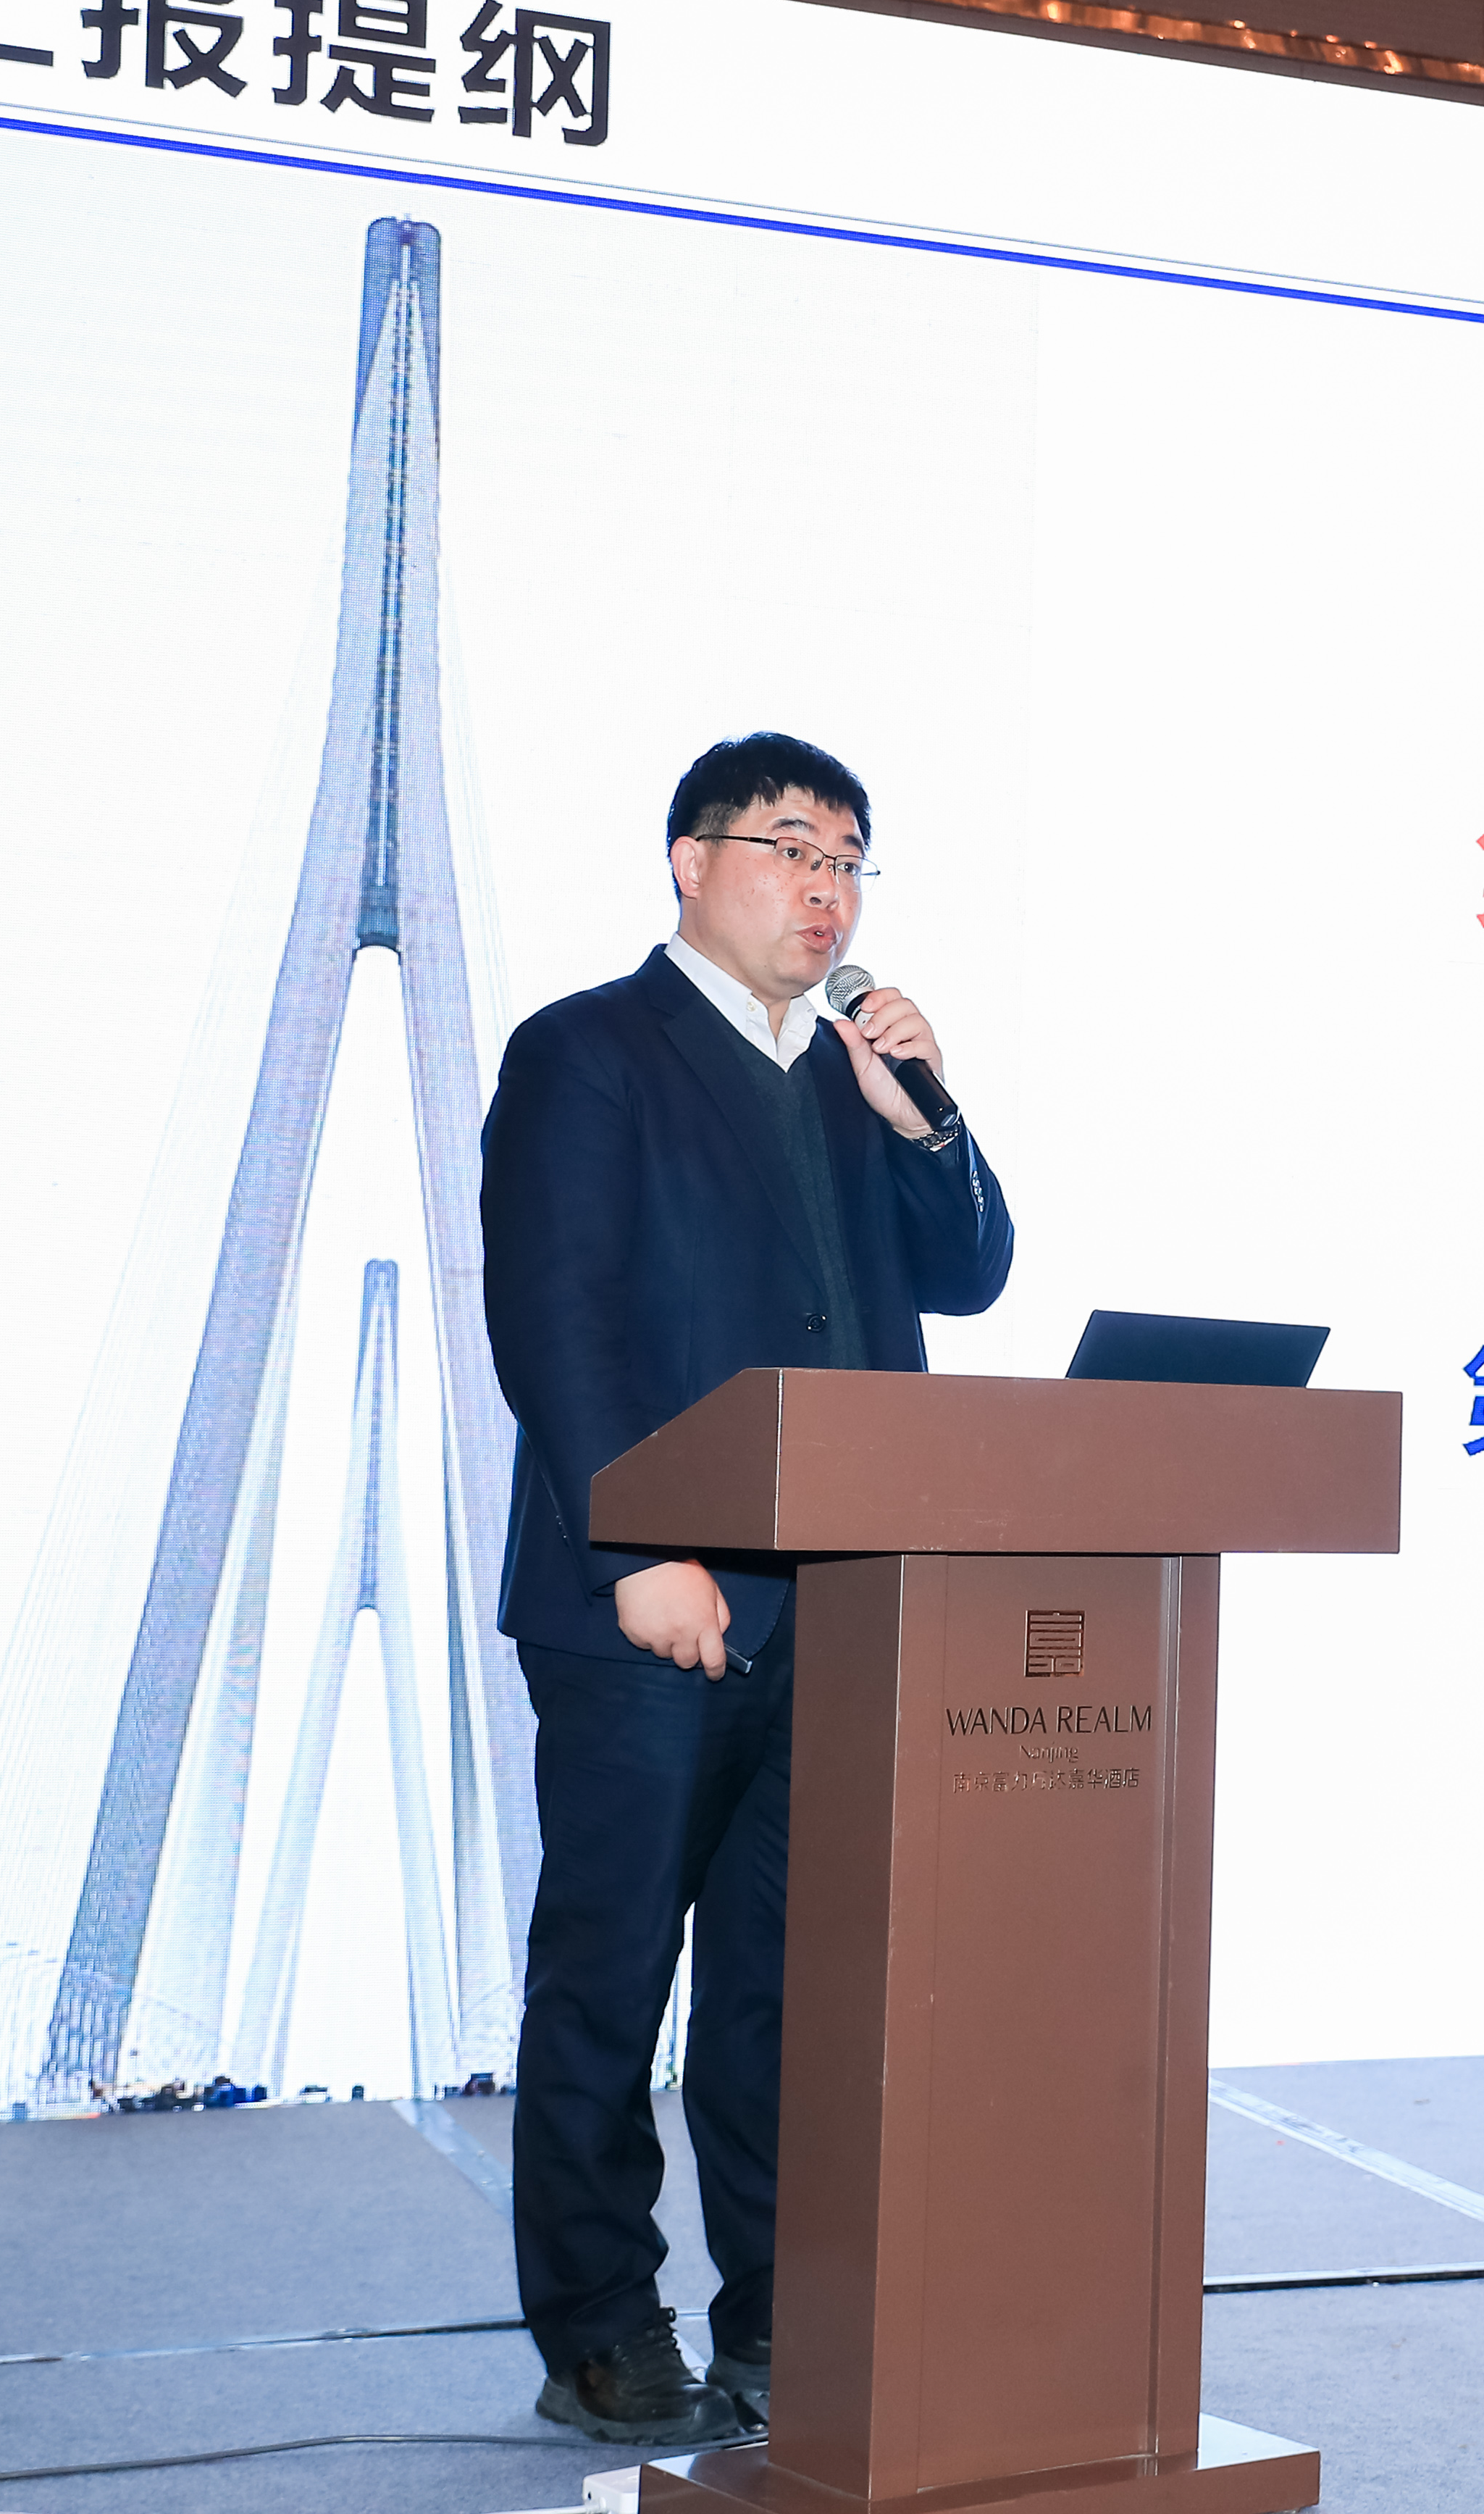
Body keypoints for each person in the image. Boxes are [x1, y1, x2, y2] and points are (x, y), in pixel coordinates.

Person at [481, 731, 1015, 2443]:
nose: (825, 889)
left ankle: (783, 2315)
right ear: (691, 861)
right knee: (612, 1975)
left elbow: (975, 1274)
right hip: (652, 1611)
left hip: (839, 1610)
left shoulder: (857, 1076)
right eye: (793, 849)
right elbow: (553, 1318)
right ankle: (597, 2332)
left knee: (787, 1998)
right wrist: (639, 1550)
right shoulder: (587, 1053)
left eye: (849, 861)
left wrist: (927, 1118)